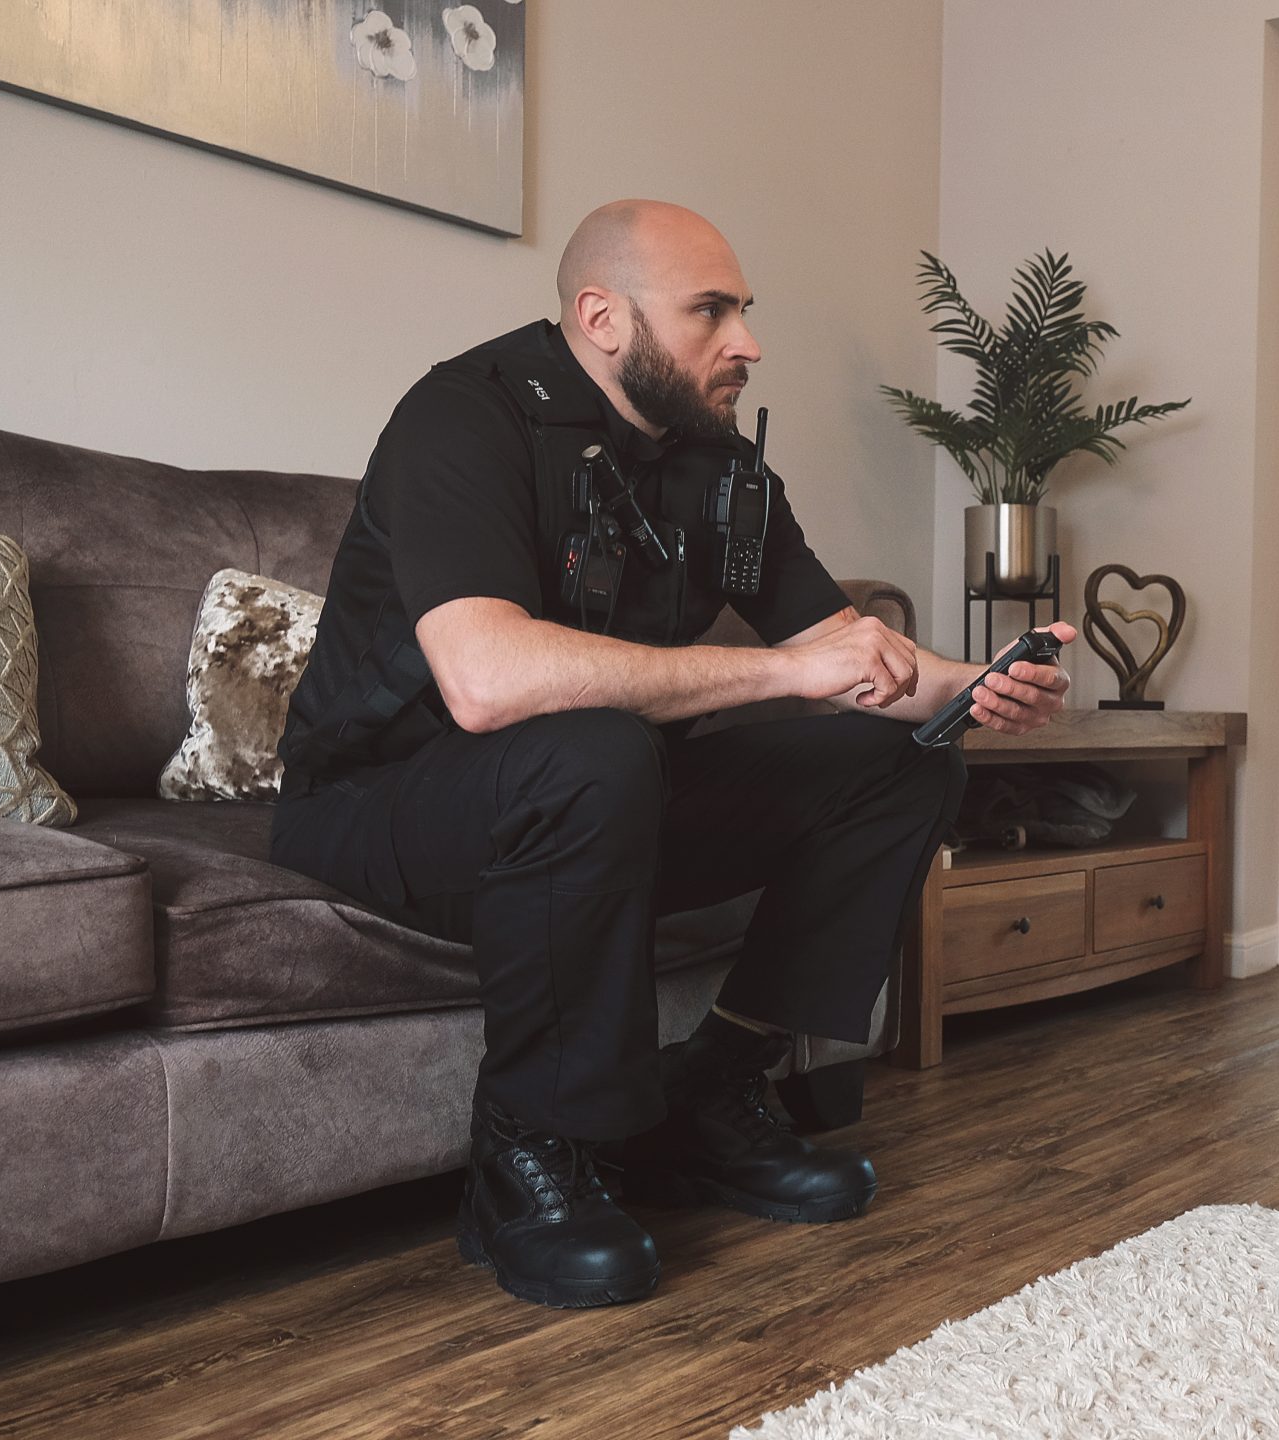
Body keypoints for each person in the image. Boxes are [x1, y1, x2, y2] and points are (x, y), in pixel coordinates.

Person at [270, 199, 1074, 1310]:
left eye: (742, 311)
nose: (744, 341)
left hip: (601, 795)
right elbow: (488, 681)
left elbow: (845, 653)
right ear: (602, 318)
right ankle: (527, 1154)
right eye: (711, 311)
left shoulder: (717, 466)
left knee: (901, 761)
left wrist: (978, 685)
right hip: (384, 803)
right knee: (588, 751)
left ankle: (711, 1090)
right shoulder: (460, 418)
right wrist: (781, 676)